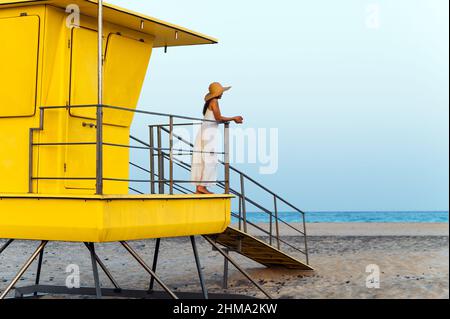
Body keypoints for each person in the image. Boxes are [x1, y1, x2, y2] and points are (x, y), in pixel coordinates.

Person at [191, 82, 244, 194]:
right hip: (209, 133)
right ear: (217, 93)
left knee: (203, 159)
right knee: (210, 159)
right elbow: (218, 117)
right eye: (221, 92)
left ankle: (199, 187)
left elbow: (215, 119)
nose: (222, 94)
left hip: (204, 132)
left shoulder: (210, 102)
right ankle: (202, 186)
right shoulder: (214, 101)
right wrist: (234, 118)